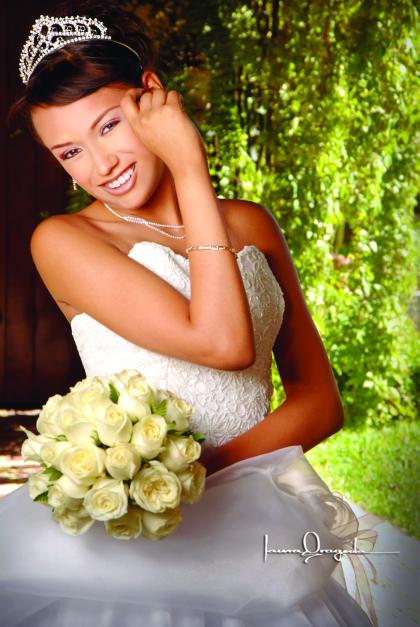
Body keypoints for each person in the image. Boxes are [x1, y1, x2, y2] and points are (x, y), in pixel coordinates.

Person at [0, 2, 378, 626]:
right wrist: (189, 166)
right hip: (136, 554)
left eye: (110, 126)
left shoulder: (251, 225)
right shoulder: (66, 241)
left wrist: (187, 477)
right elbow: (223, 342)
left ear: (152, 94)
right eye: (69, 153)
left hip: (255, 529)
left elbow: (320, 401)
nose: (102, 166)